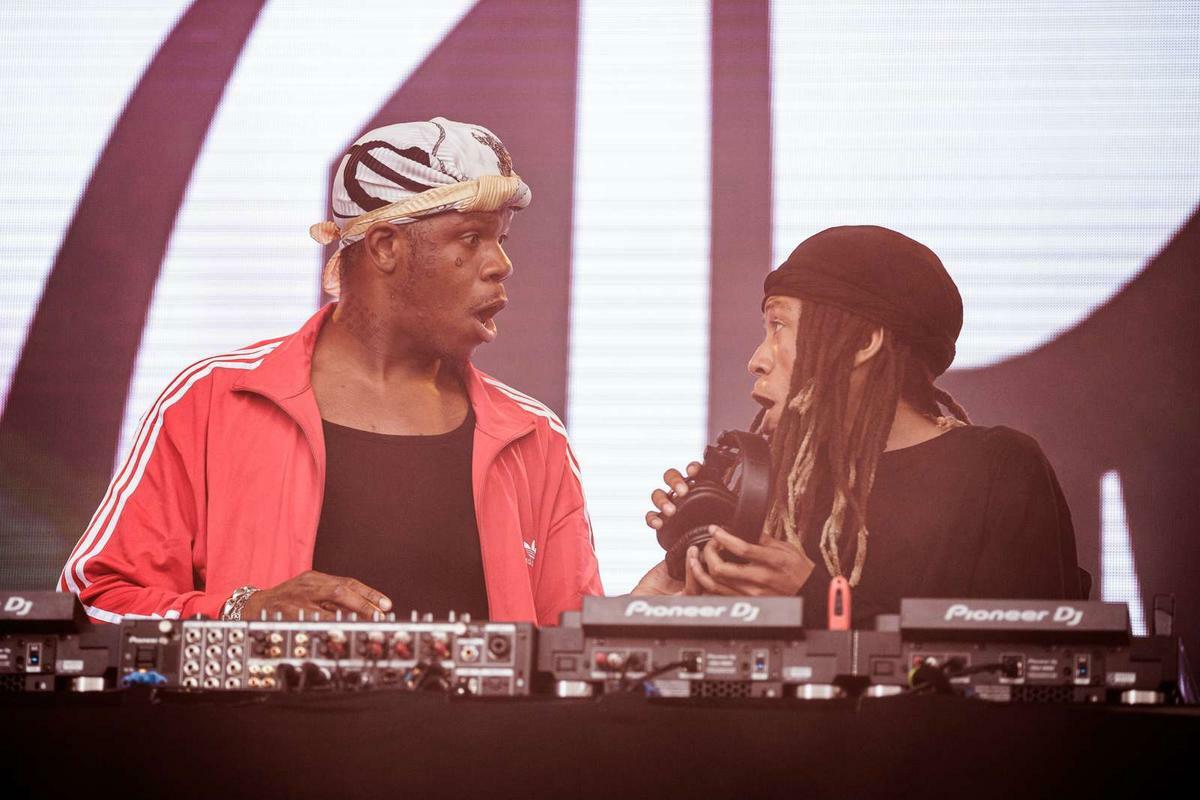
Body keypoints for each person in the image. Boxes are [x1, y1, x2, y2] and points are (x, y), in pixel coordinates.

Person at [58, 118, 602, 625]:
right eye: (471, 239)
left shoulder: (536, 438)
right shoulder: (210, 401)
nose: (501, 264)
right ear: (386, 246)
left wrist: (659, 610)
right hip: (255, 733)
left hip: (485, 736)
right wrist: (242, 612)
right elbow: (91, 607)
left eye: (500, 240)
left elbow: (572, 656)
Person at [635, 225, 1082, 627]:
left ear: (864, 343)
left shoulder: (1000, 471)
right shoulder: (773, 490)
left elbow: (1028, 678)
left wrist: (812, 599)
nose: (758, 359)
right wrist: (678, 603)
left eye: (779, 326)